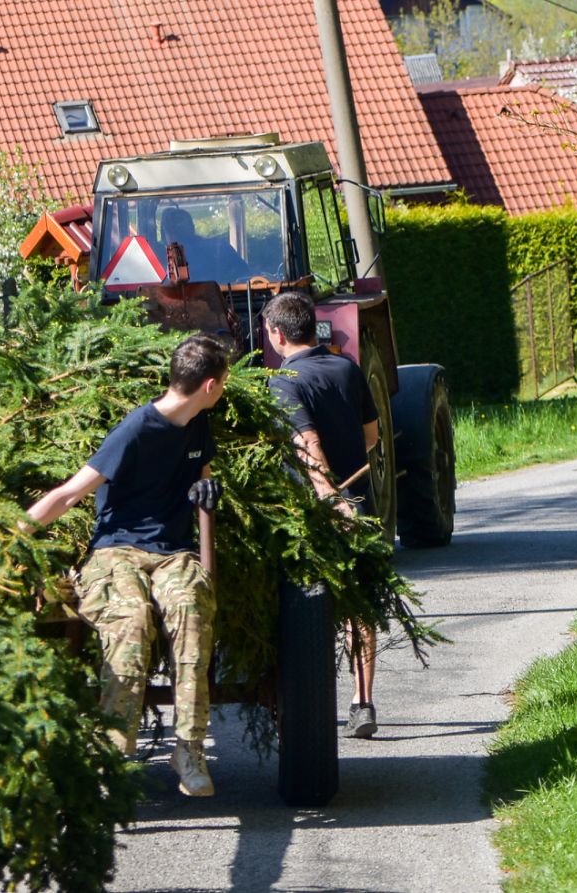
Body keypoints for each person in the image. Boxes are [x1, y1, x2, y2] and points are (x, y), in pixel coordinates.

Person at [24, 333, 228, 798]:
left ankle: (188, 748)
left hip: (173, 553)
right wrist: (9, 534)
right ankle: (115, 750)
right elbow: (70, 493)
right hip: (116, 552)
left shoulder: (199, 425)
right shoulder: (135, 430)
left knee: (192, 608)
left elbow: (200, 475)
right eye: (223, 383)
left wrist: (205, 489)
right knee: (131, 621)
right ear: (210, 386)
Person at [260, 290, 384, 739]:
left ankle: (302, 704)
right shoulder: (347, 368)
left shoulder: (283, 382)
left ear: (277, 334)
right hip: (361, 503)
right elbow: (371, 435)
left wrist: (329, 499)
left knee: (302, 608)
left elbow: (306, 444)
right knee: (357, 605)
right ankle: (362, 702)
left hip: (313, 513)